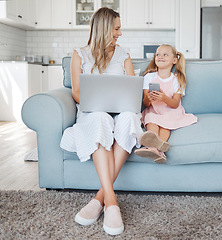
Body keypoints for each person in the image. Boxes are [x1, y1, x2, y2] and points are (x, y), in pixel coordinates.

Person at [59, 7, 143, 236]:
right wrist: (98, 105)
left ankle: (99, 198)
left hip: (121, 111)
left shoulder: (123, 54)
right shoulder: (80, 54)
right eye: (117, 28)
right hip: (92, 112)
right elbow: (76, 92)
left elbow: (132, 89)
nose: (120, 33)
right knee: (99, 119)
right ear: (105, 28)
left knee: (128, 118)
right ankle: (112, 202)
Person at [134, 44, 197, 163]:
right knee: (150, 117)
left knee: (165, 124)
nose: (160, 57)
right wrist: (149, 98)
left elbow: (175, 104)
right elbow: (146, 104)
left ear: (174, 60)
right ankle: (157, 149)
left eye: (165, 54)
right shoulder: (149, 77)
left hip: (171, 111)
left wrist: (164, 98)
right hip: (154, 111)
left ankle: (156, 149)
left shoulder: (177, 79)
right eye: (157, 54)